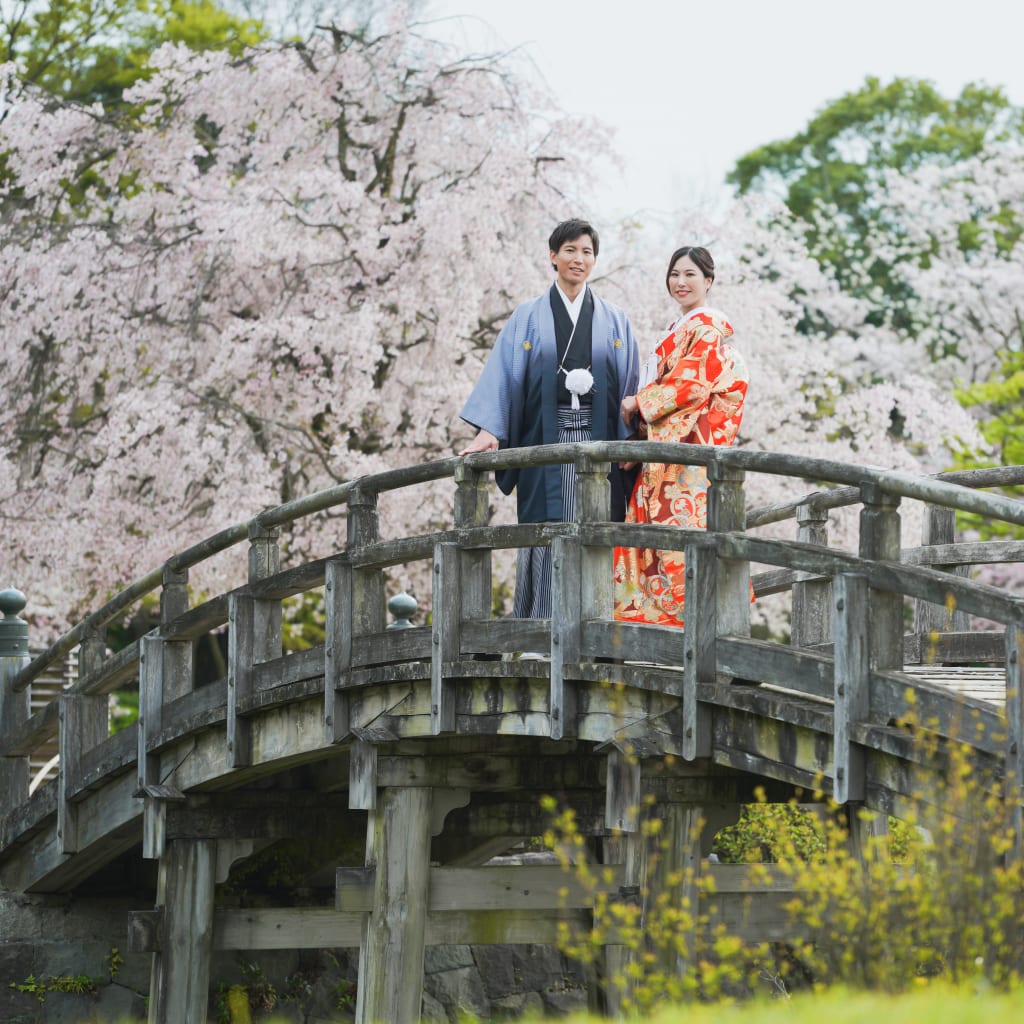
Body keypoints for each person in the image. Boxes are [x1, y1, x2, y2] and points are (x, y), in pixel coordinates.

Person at [460, 219, 640, 618]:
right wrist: (490, 430)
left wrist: (630, 438)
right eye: (571, 250)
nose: (579, 259)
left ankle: (595, 628)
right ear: (553, 256)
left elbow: (628, 386)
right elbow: (503, 377)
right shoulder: (527, 317)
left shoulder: (615, 320)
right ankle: (540, 627)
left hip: (600, 443)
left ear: (594, 260)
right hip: (545, 439)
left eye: (587, 252)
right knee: (547, 525)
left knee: (597, 524)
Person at [613, 246, 748, 627]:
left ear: (709, 281)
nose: (681, 282)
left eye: (690, 274)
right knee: (656, 542)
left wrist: (639, 402)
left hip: (689, 461)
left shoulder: (706, 329)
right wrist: (642, 441)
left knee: (680, 545)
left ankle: (691, 636)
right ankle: (654, 634)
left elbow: (690, 389)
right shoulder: (680, 329)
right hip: (668, 451)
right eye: (675, 274)